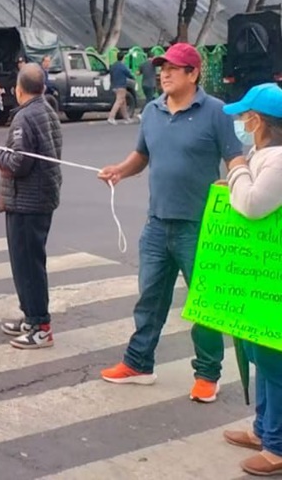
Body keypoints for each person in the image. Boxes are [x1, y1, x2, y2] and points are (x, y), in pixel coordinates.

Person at [97, 42, 244, 402]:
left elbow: (235, 160)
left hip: (199, 226)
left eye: (173, 69)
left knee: (203, 305)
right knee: (149, 297)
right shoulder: (152, 111)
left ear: (193, 74)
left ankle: (208, 374)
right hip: (157, 223)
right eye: (162, 68)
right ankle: (138, 363)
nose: (163, 74)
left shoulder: (217, 112)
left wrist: (238, 185)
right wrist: (120, 170)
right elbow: (142, 155)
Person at [219, 83, 282, 477]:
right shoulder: (266, 155)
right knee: (261, 355)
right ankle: (264, 429)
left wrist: (236, 168)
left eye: (244, 117)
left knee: (274, 362)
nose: (242, 124)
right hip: (263, 275)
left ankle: (276, 446)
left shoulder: (277, 160)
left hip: (274, 279)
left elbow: (254, 204)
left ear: (257, 120)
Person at [0, 64, 63, 349]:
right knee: (28, 262)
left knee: (28, 265)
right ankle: (31, 316)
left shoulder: (25, 118)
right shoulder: (48, 111)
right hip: (41, 198)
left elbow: (18, 163)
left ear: (18, 89)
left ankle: (40, 326)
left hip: (27, 201)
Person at [107, 52, 135, 125]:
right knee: (119, 101)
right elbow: (129, 74)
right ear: (123, 58)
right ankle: (111, 117)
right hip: (121, 86)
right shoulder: (122, 66)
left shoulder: (113, 65)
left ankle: (126, 118)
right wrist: (133, 77)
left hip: (114, 85)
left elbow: (110, 73)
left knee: (123, 101)